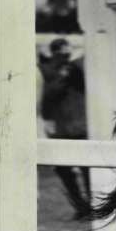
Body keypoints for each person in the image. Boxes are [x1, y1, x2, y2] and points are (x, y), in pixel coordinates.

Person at [38, 38, 90, 218]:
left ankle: (88, 206)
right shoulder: (48, 70)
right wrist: (62, 74)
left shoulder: (75, 68)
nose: (65, 55)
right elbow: (49, 95)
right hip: (63, 127)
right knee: (65, 170)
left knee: (86, 168)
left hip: (77, 125)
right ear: (55, 52)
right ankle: (81, 207)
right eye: (62, 52)